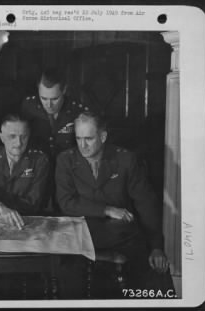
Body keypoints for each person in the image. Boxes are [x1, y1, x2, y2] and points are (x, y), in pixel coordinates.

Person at [55, 111, 174, 296]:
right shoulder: (66, 160)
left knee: (154, 266)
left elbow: (146, 203)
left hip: (120, 234)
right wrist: (107, 210)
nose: (83, 145)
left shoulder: (125, 159)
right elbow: (66, 203)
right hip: (80, 232)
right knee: (68, 272)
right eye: (78, 139)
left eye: (89, 138)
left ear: (103, 137)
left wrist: (157, 246)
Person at [21, 68, 90, 214]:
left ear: (64, 90)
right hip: (37, 173)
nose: (49, 105)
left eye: (54, 99)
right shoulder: (28, 107)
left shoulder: (78, 110)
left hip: (68, 174)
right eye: (44, 98)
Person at [0, 114, 49, 229]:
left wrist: (7, 209)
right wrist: (0, 207)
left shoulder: (39, 160)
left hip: (24, 221)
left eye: (23, 137)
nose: (18, 143)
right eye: (12, 136)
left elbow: (34, 200)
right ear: (1, 137)